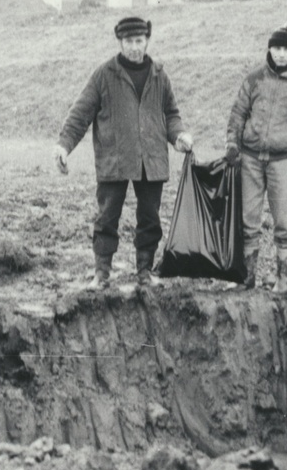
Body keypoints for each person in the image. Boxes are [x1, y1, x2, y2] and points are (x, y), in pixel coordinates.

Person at [54, 16, 194, 290]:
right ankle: (102, 273)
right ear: (120, 42)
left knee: (150, 218)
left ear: (147, 41)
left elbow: (171, 114)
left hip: (151, 159)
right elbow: (80, 113)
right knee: (107, 217)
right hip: (114, 159)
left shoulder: (159, 75)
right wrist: (63, 145)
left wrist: (178, 136)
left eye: (139, 41)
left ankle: (144, 272)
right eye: (128, 41)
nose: (134, 47)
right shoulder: (104, 74)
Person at [225, 24, 287, 292]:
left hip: (283, 161)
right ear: (269, 49)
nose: (281, 54)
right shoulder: (255, 79)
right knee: (247, 220)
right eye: (277, 48)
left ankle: (284, 282)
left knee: (284, 222)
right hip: (251, 160)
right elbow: (238, 113)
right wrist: (232, 143)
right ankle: (245, 280)